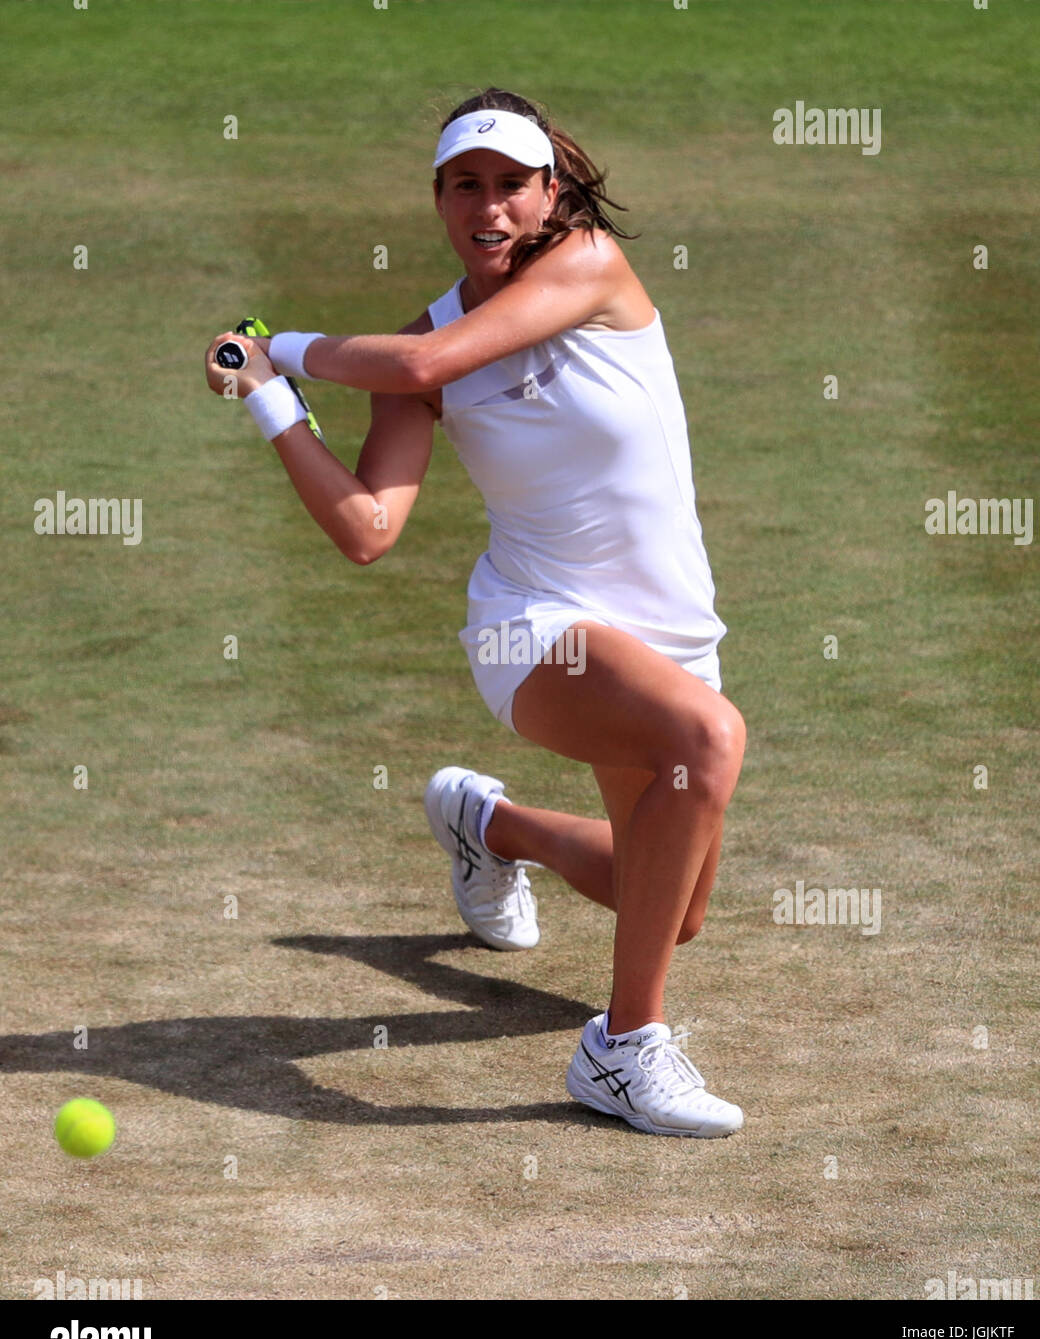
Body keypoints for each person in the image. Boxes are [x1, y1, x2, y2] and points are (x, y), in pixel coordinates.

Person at [205, 87, 746, 1139]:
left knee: (671, 911)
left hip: (670, 634)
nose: (489, 207)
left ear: (550, 195)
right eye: (466, 186)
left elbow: (416, 366)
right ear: (439, 200)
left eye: (511, 185)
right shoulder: (415, 352)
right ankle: (623, 1050)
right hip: (529, 626)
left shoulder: (588, 267)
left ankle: (489, 825)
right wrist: (271, 402)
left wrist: (283, 345)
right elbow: (368, 527)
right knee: (705, 736)